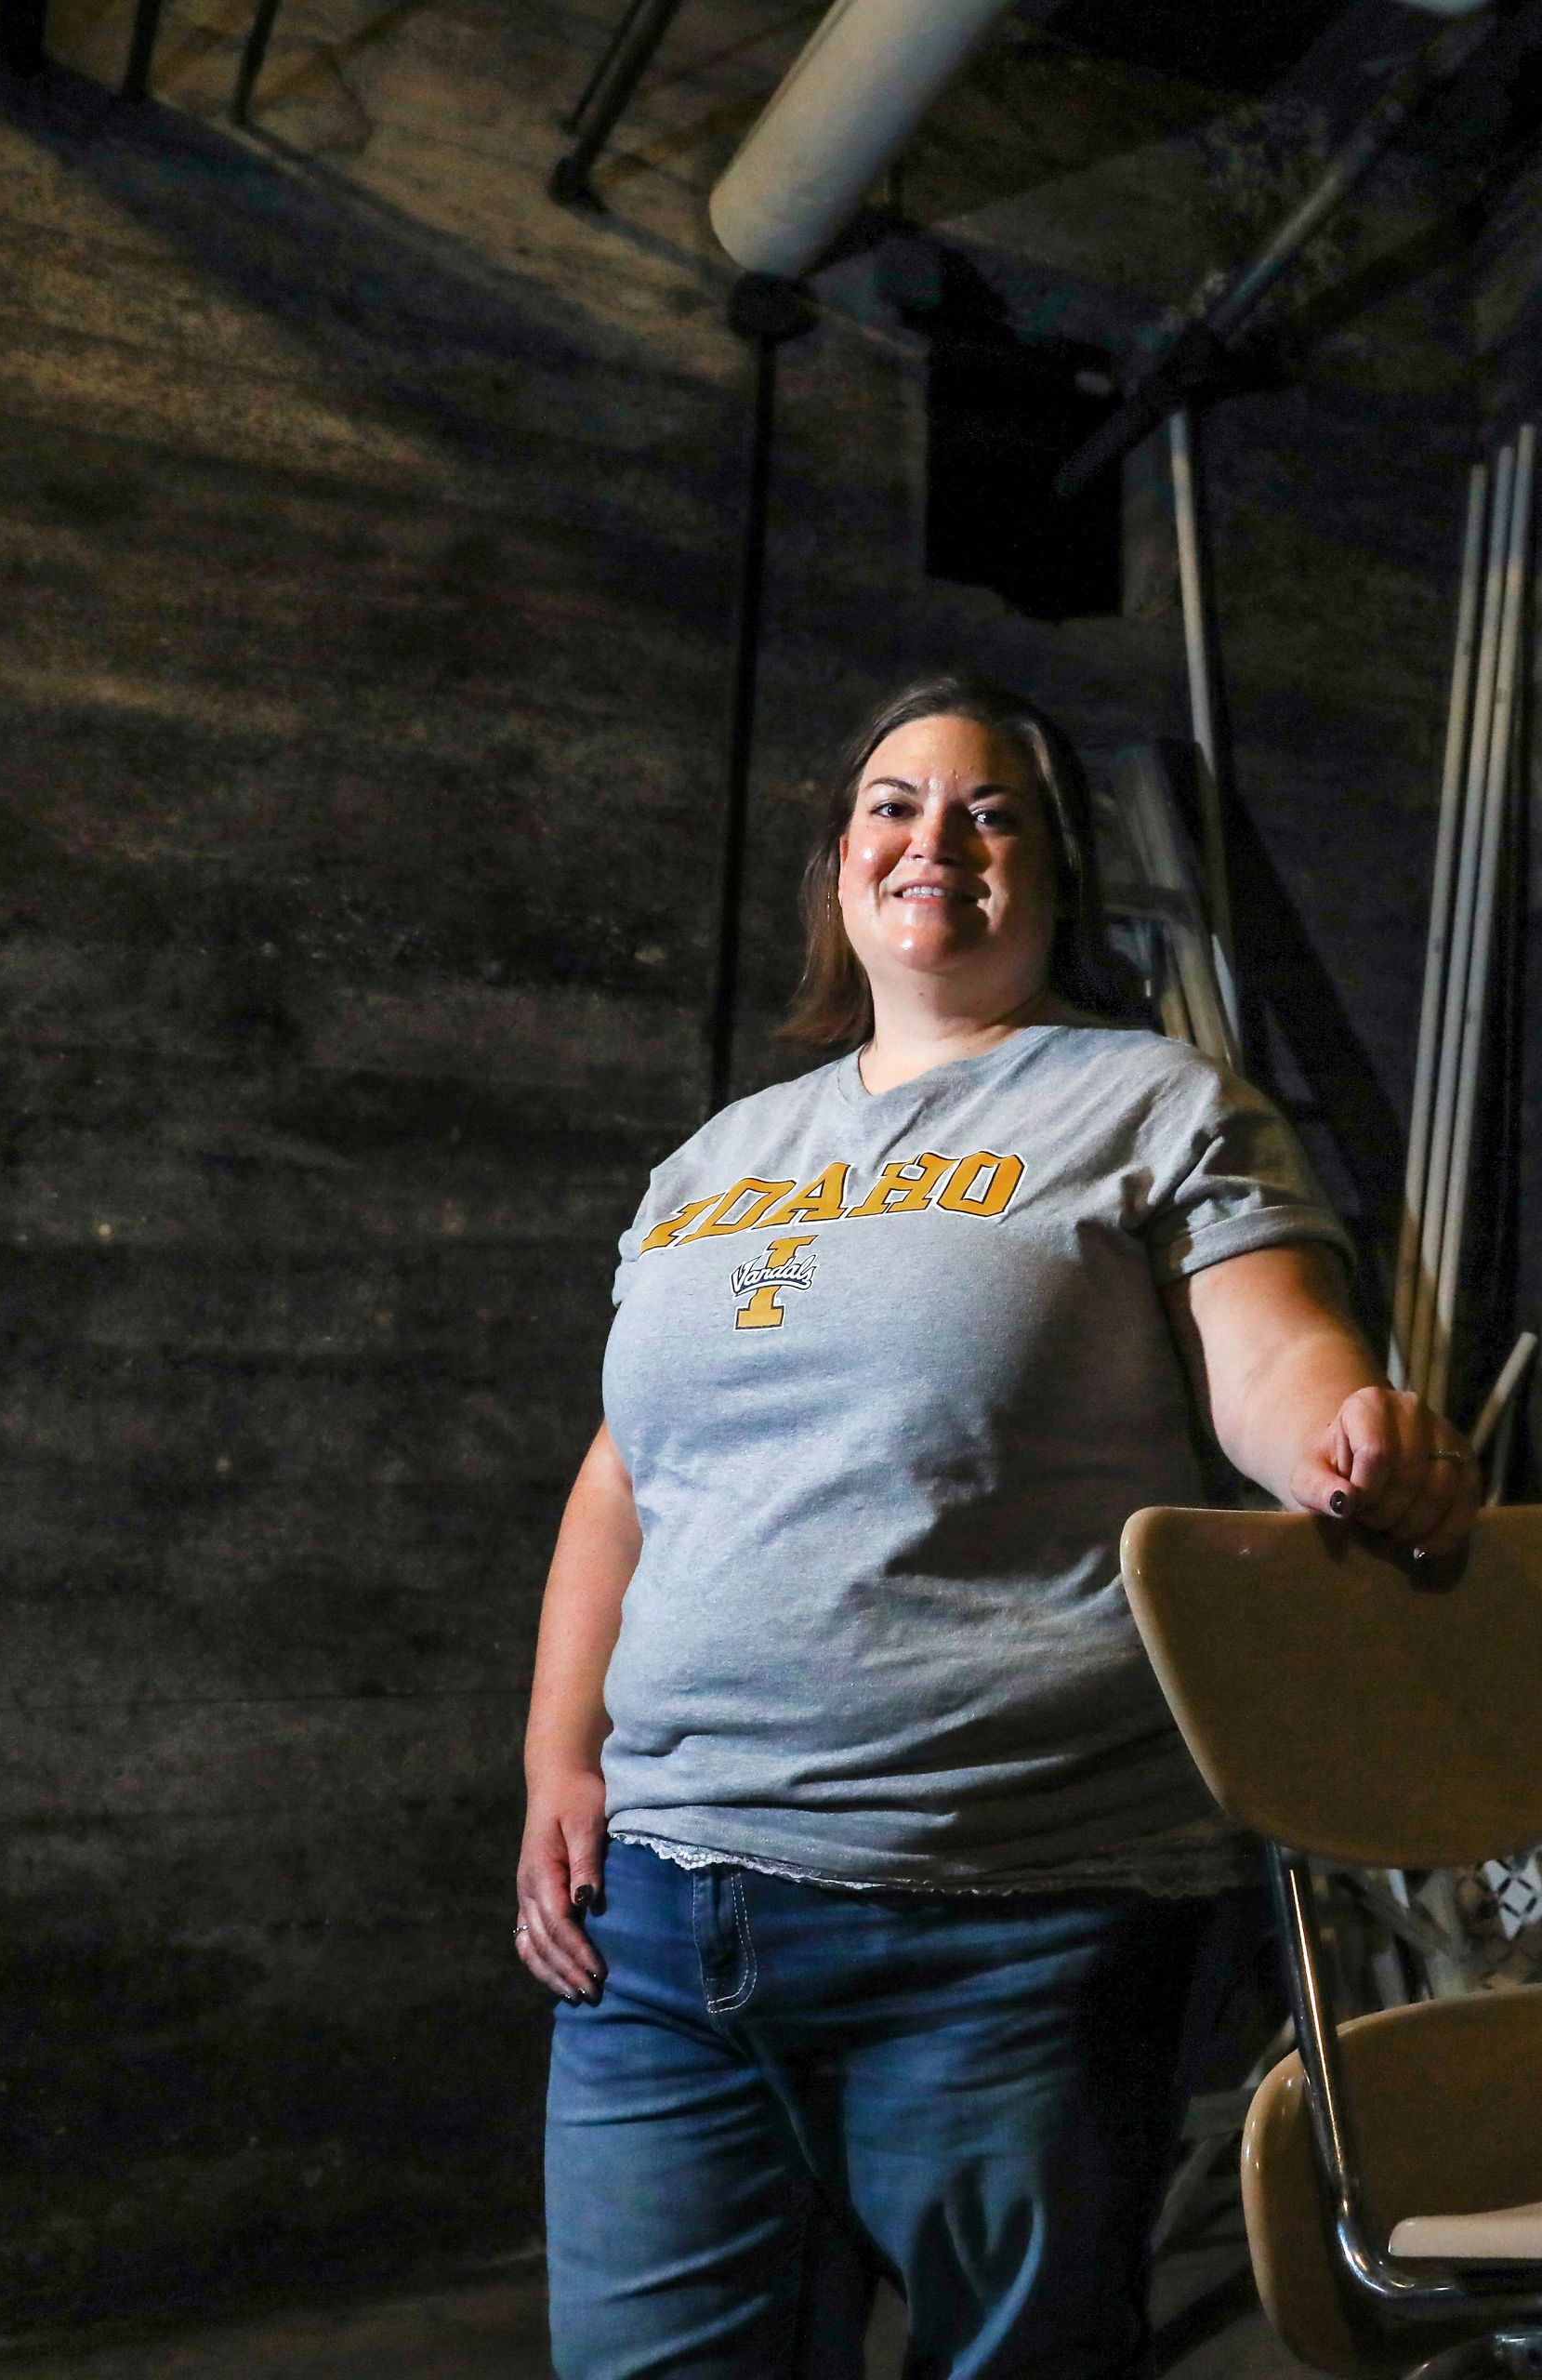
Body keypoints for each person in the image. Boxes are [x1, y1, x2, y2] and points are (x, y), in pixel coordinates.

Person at [514, 674, 1476, 2380]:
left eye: (990, 811)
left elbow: (1271, 1355)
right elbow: (627, 1476)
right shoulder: (710, 1164)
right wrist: (559, 1759)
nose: (932, 840)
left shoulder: (1151, 1103)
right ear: (838, 864)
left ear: (1057, 879)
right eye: (893, 803)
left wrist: (1347, 1434)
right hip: (663, 1922)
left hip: (1008, 1909)